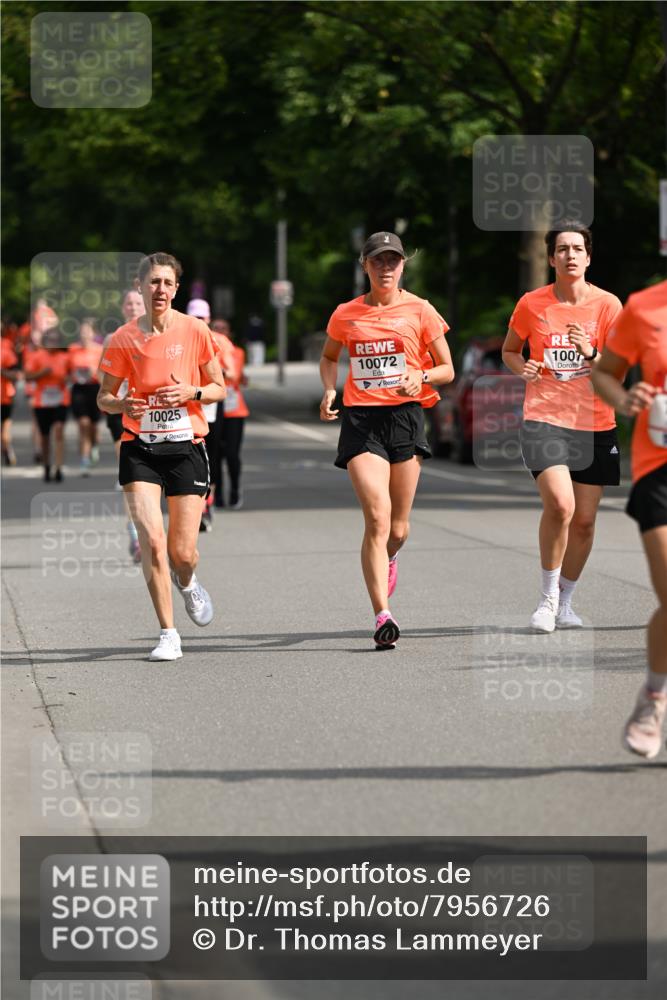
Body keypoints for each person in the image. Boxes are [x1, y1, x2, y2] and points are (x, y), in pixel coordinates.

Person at [319, 231, 454, 649]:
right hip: (361, 421)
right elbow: (329, 357)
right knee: (377, 517)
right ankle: (383, 615)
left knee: (398, 527)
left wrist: (421, 375)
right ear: (365, 266)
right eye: (378, 260)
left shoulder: (421, 310)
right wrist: (329, 389)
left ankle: (390, 556)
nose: (386, 267)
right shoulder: (346, 313)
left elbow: (447, 369)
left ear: (403, 266)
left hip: (405, 418)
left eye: (393, 260)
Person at [98, 252, 226, 661]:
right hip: (141, 449)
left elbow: (220, 387)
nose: (160, 290)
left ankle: (188, 584)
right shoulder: (122, 338)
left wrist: (193, 392)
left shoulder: (196, 331)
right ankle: (168, 633)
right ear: (140, 286)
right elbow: (104, 396)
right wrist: (123, 406)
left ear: (177, 288)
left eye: (167, 283)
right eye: (153, 282)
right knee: (153, 541)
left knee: (181, 553)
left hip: (186, 447)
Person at [502, 223, 623, 632]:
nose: (570, 255)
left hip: (595, 423)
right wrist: (525, 368)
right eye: (562, 249)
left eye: (577, 249)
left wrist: (591, 351)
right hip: (544, 418)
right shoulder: (532, 304)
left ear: (588, 257)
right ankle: (547, 598)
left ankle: (566, 601)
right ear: (551, 258)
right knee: (561, 506)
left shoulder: (608, 306)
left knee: (585, 522)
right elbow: (509, 351)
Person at [591, 280, 667, 759]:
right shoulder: (645, 307)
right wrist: (623, 401)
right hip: (659, 467)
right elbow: (604, 373)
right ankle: (654, 696)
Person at [103, 289, 147, 562]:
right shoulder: (114, 338)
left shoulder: (158, 336)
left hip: (150, 412)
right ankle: (135, 533)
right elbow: (104, 379)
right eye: (128, 302)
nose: (132, 306)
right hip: (121, 411)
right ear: (122, 307)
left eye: (137, 303)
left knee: (150, 478)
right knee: (132, 476)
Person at [185, 300, 237, 527]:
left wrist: (212, 368)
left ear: (208, 319)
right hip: (186, 405)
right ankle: (194, 501)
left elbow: (233, 374)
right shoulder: (179, 339)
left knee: (211, 455)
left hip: (211, 405)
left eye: (202, 318)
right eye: (194, 318)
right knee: (189, 454)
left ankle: (208, 500)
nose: (198, 322)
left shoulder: (221, 341)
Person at [23, 326, 70, 482]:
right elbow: (27, 377)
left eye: (56, 340)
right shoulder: (37, 356)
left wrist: (67, 380)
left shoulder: (65, 357)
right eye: (50, 340)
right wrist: (42, 373)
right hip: (42, 402)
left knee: (58, 430)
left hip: (60, 400)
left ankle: (58, 467)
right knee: (44, 437)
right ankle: (46, 465)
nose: (53, 343)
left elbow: (72, 376)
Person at [212, 318, 248, 509]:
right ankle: (217, 494)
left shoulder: (237, 352)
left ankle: (235, 489)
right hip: (212, 408)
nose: (219, 332)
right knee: (215, 454)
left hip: (234, 410)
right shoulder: (205, 349)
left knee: (232, 454)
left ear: (229, 332)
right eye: (216, 328)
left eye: (223, 329)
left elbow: (235, 375)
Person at [68, 318, 104, 475]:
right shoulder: (72, 349)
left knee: (93, 426)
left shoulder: (100, 349)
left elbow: (106, 373)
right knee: (83, 424)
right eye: (82, 331)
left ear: (93, 333)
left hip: (95, 389)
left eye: (87, 331)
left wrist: (94, 373)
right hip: (78, 390)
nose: (84, 334)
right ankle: (84, 460)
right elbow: (67, 371)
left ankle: (94, 445)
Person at [1, 327, 20, 465]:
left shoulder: (6, 351)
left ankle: (7, 448)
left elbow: (15, 375)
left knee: (5, 427)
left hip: (5, 396)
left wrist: (2, 371)